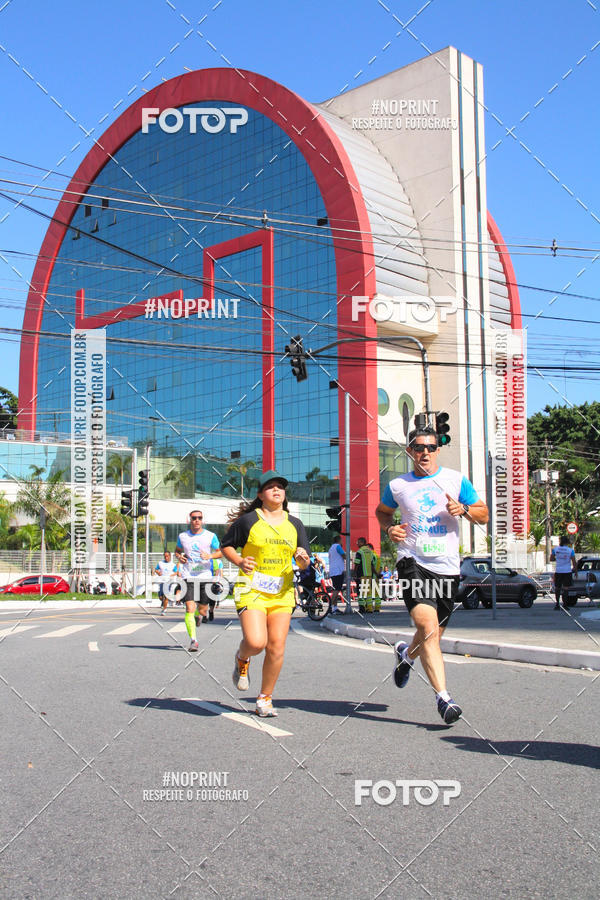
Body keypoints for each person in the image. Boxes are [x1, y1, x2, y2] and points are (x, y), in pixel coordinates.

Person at [375, 425, 488, 724]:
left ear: (438, 450)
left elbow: (484, 514)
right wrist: (389, 528)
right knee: (427, 627)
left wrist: (463, 509)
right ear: (410, 451)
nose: (425, 452)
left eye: (430, 447)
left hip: (447, 566)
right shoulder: (398, 485)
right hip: (413, 560)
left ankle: (406, 655)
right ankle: (444, 698)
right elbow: (382, 511)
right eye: (418, 447)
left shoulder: (455, 479)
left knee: (433, 634)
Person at [221, 470, 310, 717]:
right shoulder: (249, 521)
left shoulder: (295, 524)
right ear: (261, 494)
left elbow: (304, 558)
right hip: (251, 589)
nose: (276, 490)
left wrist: (302, 560)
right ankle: (242, 658)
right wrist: (239, 561)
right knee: (256, 642)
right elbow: (226, 545)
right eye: (270, 487)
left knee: (276, 647)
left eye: (280, 487)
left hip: (282, 592)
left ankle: (264, 698)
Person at [175, 511, 222, 651]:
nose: (196, 520)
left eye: (199, 518)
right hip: (188, 576)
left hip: (205, 576)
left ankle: (199, 615)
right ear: (189, 519)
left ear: (202, 520)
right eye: (194, 518)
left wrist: (210, 556)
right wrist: (179, 556)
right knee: (190, 607)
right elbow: (177, 550)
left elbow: (221, 552)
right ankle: (193, 640)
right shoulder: (182, 536)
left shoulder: (210, 536)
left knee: (202, 610)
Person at [550, 536, 577, 610]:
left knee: (557, 588)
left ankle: (557, 604)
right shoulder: (570, 550)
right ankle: (565, 604)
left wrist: (558, 558)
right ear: (567, 542)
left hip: (558, 571)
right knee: (566, 588)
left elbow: (551, 559)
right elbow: (574, 562)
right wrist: (576, 572)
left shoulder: (555, 549)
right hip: (567, 571)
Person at [354, 537, 379, 613]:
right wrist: (376, 573)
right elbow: (372, 565)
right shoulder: (370, 552)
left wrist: (355, 573)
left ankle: (362, 608)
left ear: (362, 543)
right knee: (368, 592)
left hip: (362, 575)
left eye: (358, 542)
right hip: (369, 575)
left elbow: (357, 564)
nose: (357, 543)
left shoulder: (360, 552)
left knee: (361, 591)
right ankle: (370, 608)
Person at [155, 550, 177, 615]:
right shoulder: (160, 563)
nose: (166, 558)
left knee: (166, 596)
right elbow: (156, 569)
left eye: (167, 556)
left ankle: (164, 610)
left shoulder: (173, 565)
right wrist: (158, 572)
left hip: (168, 582)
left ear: (170, 556)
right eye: (165, 556)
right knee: (161, 597)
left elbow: (176, 572)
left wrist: (171, 575)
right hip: (161, 581)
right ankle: (163, 601)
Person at [328, 534, 346, 615]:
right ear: (339, 540)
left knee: (336, 589)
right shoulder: (338, 546)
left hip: (333, 571)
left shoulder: (331, 548)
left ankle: (334, 608)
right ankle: (330, 607)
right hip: (338, 571)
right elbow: (344, 555)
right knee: (337, 590)